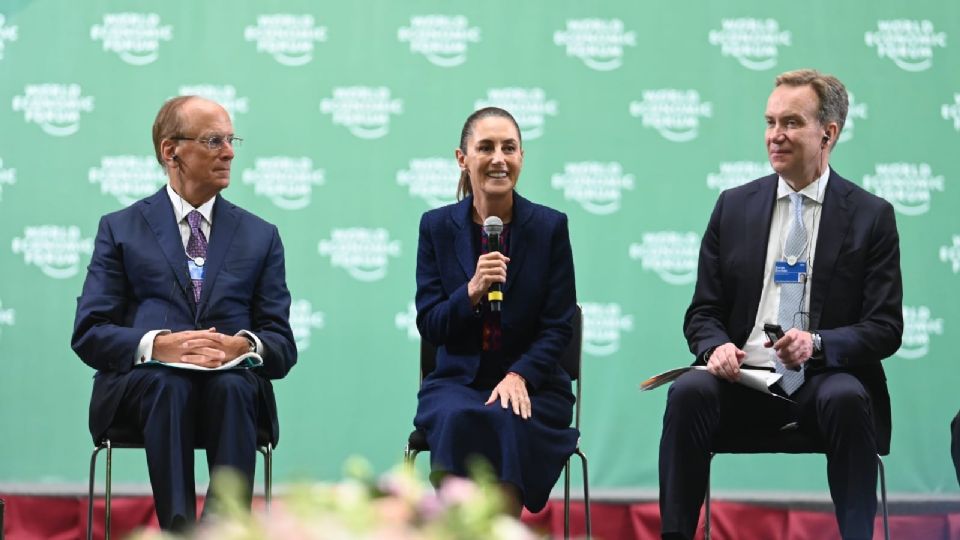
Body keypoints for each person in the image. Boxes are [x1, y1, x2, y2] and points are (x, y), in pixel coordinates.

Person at [659, 69, 903, 540]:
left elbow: (884, 328)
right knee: (687, 393)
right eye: (770, 122)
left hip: (823, 382)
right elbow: (703, 312)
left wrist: (815, 343)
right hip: (743, 381)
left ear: (828, 133)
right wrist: (715, 348)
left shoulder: (872, 217)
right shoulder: (733, 207)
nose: (775, 135)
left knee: (849, 398)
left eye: (791, 123)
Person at [71, 96, 297, 531]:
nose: (229, 152)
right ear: (170, 151)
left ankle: (221, 528)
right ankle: (177, 529)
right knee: (167, 380)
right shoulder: (120, 229)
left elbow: (282, 345)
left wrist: (243, 346)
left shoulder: (260, 236)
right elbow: (89, 332)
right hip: (142, 391)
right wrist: (158, 345)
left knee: (233, 384)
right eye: (214, 140)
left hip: (231, 391)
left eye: (231, 140)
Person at [413, 107, 579, 515]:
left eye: (509, 147)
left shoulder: (549, 227)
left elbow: (558, 325)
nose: (499, 158)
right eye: (485, 147)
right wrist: (471, 291)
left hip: (534, 384)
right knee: (458, 418)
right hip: (457, 382)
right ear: (462, 158)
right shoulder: (436, 227)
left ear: (521, 156)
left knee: (507, 417)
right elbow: (431, 324)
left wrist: (520, 374)